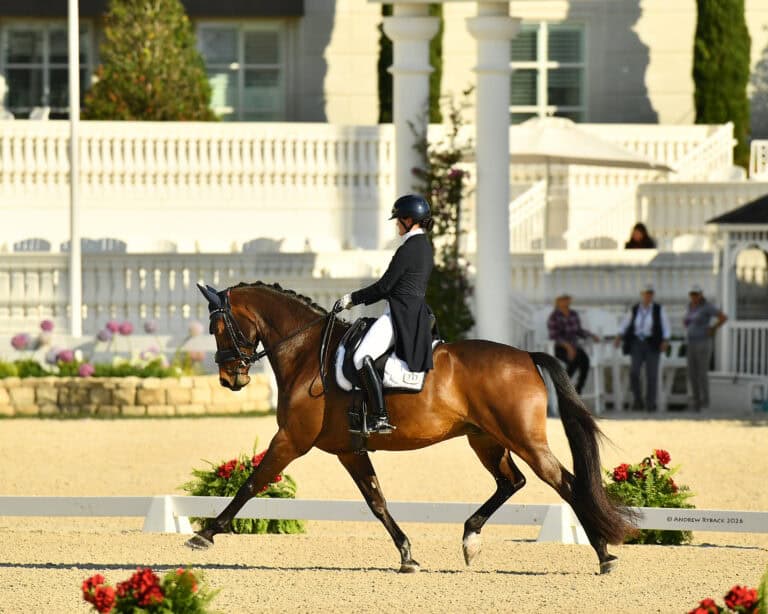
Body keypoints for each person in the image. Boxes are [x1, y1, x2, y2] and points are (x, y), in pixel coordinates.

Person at [336, 194, 435, 434]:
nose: (396, 225)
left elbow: (384, 287)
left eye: (398, 220)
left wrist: (352, 299)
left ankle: (379, 416)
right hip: (416, 313)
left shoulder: (409, 249)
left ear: (409, 220)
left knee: (361, 356)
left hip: (400, 315)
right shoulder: (424, 246)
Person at [614, 283, 671, 411]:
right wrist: (619, 336)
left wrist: (665, 340)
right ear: (642, 294)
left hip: (652, 343)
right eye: (646, 293)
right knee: (634, 372)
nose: (648, 296)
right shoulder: (634, 309)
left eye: (650, 293)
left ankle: (650, 403)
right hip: (637, 343)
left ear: (652, 295)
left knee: (652, 374)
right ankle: (637, 400)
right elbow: (625, 323)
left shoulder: (658, 309)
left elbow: (666, 325)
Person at [683, 284, 727, 411]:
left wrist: (713, 328)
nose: (694, 297)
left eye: (696, 294)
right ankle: (696, 401)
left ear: (701, 295)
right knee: (692, 373)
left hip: (703, 342)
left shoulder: (707, 307)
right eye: (692, 294)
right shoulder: (690, 307)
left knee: (702, 373)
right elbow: (687, 321)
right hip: (691, 342)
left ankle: (705, 401)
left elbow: (723, 317)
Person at [547, 293, 599, 395]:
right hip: (560, 347)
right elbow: (554, 336)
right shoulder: (554, 316)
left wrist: (591, 335)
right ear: (558, 301)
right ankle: (563, 387)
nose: (566, 301)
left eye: (567, 299)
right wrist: (567, 347)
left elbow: (578, 331)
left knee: (585, 361)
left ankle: (578, 389)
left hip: (574, 346)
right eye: (563, 299)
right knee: (574, 361)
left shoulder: (573, 314)